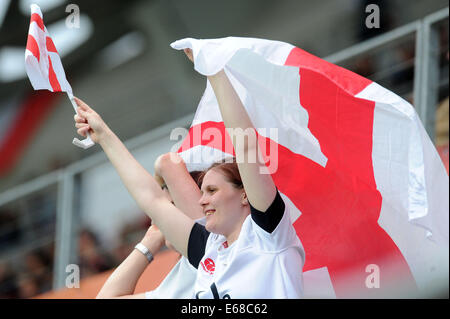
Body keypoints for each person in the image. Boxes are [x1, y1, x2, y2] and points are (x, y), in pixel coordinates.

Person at [74, 48, 305, 298]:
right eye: (203, 191)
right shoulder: (209, 252)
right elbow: (151, 200)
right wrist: (104, 137)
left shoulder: (266, 234)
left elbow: (246, 145)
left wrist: (214, 70)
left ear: (245, 195)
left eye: (212, 190)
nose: (202, 199)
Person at [96, 153, 204, 299]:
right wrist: (150, 241)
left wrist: (103, 135)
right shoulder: (179, 281)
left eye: (172, 205)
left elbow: (168, 163)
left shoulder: (218, 246)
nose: (165, 214)